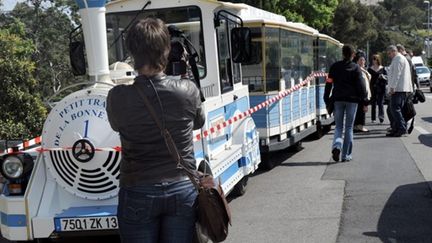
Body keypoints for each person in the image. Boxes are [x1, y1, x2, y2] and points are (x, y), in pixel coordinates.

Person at [106, 18, 206, 242]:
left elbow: (115, 124)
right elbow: (199, 122)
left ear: (132, 53)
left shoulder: (117, 96)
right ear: (167, 50)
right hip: (182, 186)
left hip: (137, 188)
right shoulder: (187, 90)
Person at [324, 44, 368, 162]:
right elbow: (361, 86)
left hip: (338, 99)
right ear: (353, 55)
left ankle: (337, 146)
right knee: (349, 127)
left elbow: (329, 82)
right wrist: (364, 101)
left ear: (342, 54)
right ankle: (346, 155)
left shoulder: (334, 67)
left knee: (338, 127)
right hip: (352, 101)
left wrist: (326, 98)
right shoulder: (356, 68)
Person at [386, 45, 413, 137]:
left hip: (398, 89)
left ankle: (401, 128)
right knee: (395, 109)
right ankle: (397, 128)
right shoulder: (398, 58)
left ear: (394, 51)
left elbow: (397, 74)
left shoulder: (398, 59)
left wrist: (392, 87)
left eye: (389, 53)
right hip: (399, 89)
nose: (389, 55)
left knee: (395, 109)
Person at [353, 51, 371, 132]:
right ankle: (359, 126)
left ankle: (358, 125)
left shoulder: (363, 69)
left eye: (363, 60)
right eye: (360, 60)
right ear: (356, 61)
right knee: (361, 110)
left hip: (365, 93)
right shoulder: (357, 69)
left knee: (361, 110)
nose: (362, 62)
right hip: (360, 94)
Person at [368, 54, 387, 123]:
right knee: (373, 103)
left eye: (375, 59)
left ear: (378, 60)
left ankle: (381, 117)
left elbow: (386, 78)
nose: (374, 61)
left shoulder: (382, 68)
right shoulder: (370, 69)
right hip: (373, 87)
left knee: (380, 103)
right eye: (373, 59)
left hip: (381, 88)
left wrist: (383, 77)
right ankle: (373, 118)